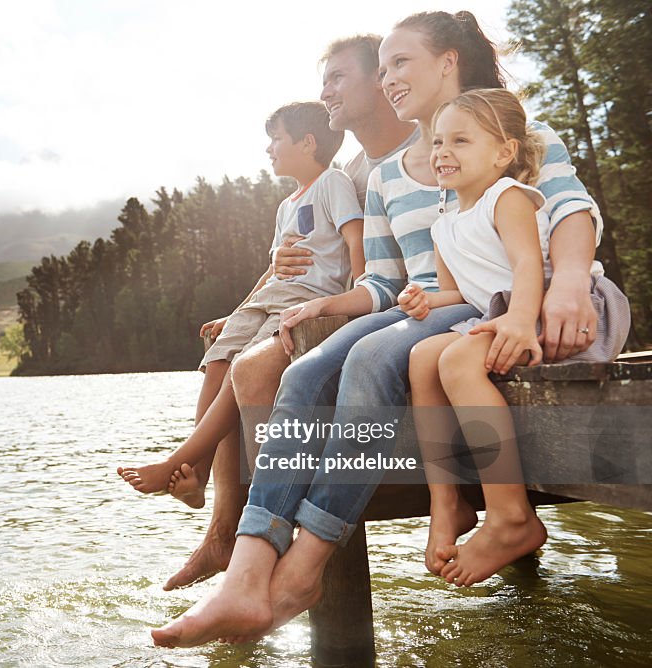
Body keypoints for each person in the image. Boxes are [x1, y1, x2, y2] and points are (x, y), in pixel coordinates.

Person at [152, 10, 606, 648]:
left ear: (448, 62)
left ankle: (304, 568)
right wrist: (323, 307)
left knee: (367, 364)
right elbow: (388, 282)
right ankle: (249, 569)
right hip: (429, 304)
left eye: (400, 63)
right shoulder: (389, 174)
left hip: (494, 302)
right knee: (307, 371)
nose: (389, 78)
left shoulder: (515, 137)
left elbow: (569, 211)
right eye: (384, 66)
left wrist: (566, 285)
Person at [161, 34, 419, 591]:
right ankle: (223, 530)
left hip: (399, 308)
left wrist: (339, 300)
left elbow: (364, 259)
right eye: (323, 80)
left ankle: (245, 529)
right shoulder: (349, 172)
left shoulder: (432, 144)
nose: (325, 91)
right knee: (230, 355)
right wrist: (277, 269)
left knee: (252, 366)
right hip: (355, 303)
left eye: (337, 78)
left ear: (381, 80)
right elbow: (327, 244)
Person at [404, 88, 629, 586]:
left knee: (458, 362)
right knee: (423, 357)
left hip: (558, 308)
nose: (443, 152)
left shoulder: (507, 198)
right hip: (508, 312)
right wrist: (423, 301)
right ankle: (447, 502)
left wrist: (522, 320)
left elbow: (528, 263)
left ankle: (511, 517)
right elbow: (457, 293)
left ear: (503, 153)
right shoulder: (443, 226)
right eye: (438, 141)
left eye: (460, 141)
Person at [117, 101, 365, 504]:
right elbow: (272, 271)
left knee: (241, 367)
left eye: (276, 139)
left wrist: (354, 296)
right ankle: (196, 473)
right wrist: (236, 313)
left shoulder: (332, 184)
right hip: (270, 297)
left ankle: (179, 460)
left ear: (307, 143)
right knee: (217, 359)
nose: (269, 149)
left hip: (308, 299)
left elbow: (355, 238)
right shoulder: (286, 204)